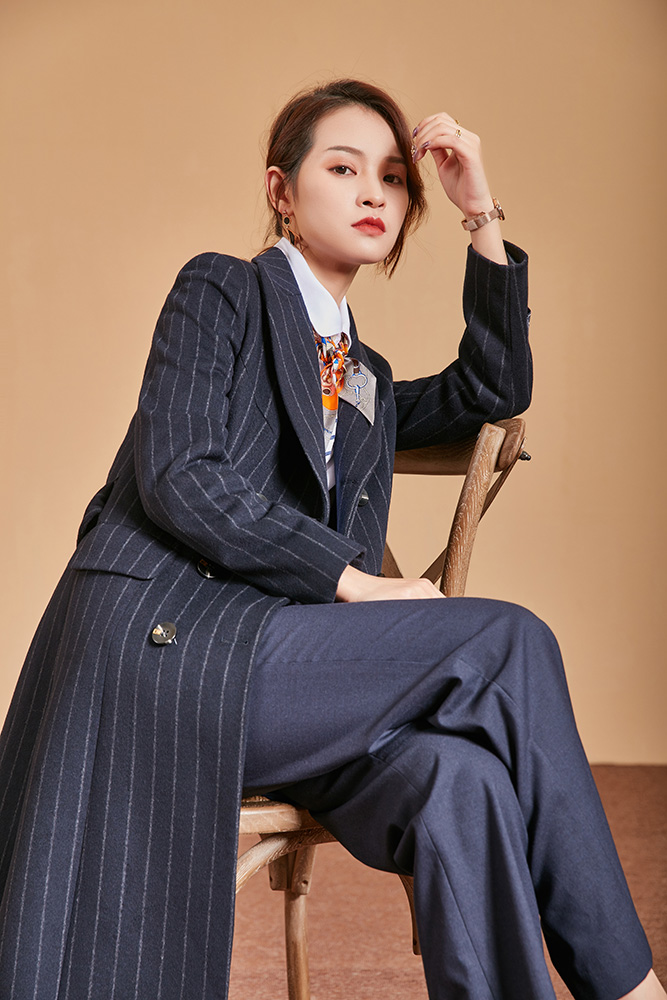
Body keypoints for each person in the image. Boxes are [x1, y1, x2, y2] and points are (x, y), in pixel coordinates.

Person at [0, 78, 661, 1000]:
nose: (372, 194)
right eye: (343, 169)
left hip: (287, 679)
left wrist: (478, 213)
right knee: (507, 640)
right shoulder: (220, 289)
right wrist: (351, 580)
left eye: (392, 179)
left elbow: (492, 390)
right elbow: (181, 474)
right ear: (281, 190)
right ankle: (630, 988)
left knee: (460, 779)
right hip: (169, 649)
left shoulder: (363, 380)